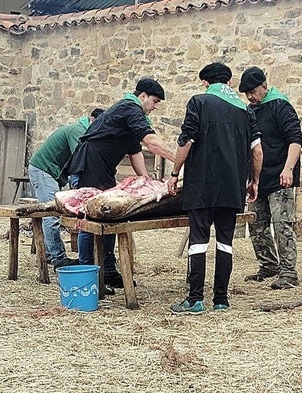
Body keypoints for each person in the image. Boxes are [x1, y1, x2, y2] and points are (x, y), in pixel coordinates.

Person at [167, 62, 263, 314]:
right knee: (225, 242)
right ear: (229, 83)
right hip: (232, 187)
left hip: (202, 184)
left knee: (198, 241)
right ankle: (221, 299)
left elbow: (187, 140)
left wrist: (175, 173)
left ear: (207, 83)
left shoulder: (199, 102)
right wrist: (254, 181)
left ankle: (195, 299)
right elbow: (257, 151)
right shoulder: (245, 110)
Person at [66, 78, 176, 288]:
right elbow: (151, 143)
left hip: (104, 167)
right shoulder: (130, 108)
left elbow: (136, 153)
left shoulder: (132, 115)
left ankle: (108, 270)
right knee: (91, 219)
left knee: (111, 216)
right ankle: (87, 270)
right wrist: (178, 159)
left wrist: (146, 181)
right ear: (142, 96)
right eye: (154, 101)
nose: (155, 107)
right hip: (90, 163)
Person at [238, 67, 302, 290]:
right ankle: (268, 265)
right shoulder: (250, 111)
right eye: (246, 93)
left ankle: (288, 272)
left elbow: (296, 140)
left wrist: (288, 169)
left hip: (280, 176)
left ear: (265, 87)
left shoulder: (281, 106)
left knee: (281, 223)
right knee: (257, 225)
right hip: (258, 178)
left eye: (253, 91)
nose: (250, 96)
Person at [28, 107, 104, 269]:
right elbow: (79, 162)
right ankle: (58, 258)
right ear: (93, 121)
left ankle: (49, 254)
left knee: (52, 213)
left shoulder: (83, 131)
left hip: (50, 171)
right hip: (43, 169)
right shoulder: (79, 131)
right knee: (51, 214)